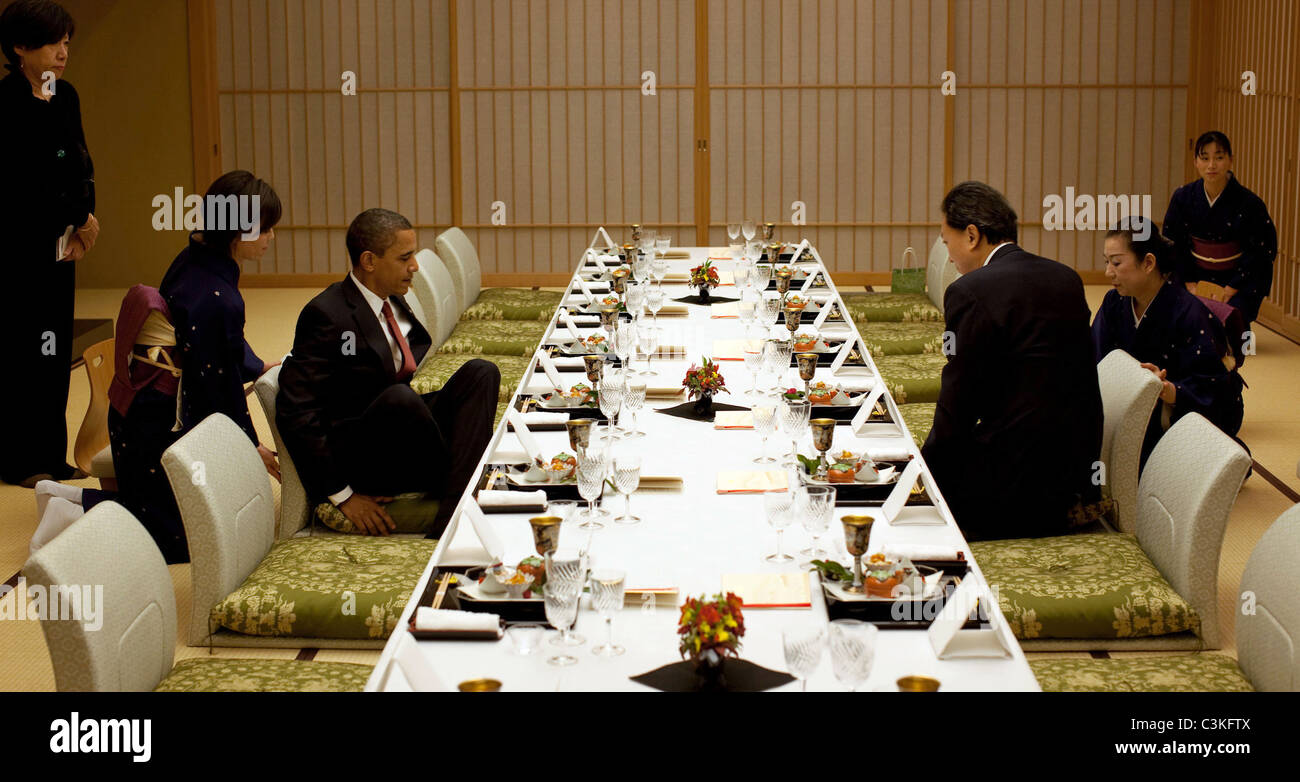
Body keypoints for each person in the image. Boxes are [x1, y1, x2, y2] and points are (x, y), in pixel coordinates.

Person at [32, 171, 283, 563]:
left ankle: (64, 497)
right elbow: (213, 387)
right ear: (239, 232)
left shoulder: (196, 256)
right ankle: (71, 512)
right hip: (155, 424)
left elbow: (220, 348)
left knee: (187, 519)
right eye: (266, 229)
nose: (271, 238)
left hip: (137, 407)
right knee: (187, 539)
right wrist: (252, 444)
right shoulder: (215, 296)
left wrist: (253, 364)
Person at [276, 208, 499, 538]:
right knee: (401, 398)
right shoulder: (327, 315)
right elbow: (296, 411)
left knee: (481, 373)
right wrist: (344, 496)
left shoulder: (390, 299)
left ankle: (461, 486)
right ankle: (457, 509)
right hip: (366, 458)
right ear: (369, 261)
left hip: (400, 432)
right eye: (405, 258)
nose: (415, 267)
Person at [921, 181, 1103, 541]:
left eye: (947, 242)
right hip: (1071, 475)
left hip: (1011, 488)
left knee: (900, 508)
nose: (950, 256)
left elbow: (958, 402)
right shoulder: (1066, 277)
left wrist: (924, 472)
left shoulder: (970, 291)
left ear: (972, 235)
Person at [0, 0, 98, 487]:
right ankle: (19, 460)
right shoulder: (7, 103)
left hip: (62, 242)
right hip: (18, 246)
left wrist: (87, 218)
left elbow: (80, 161)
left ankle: (50, 454)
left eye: (66, 42)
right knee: (22, 350)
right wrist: (76, 216)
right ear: (20, 48)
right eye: (53, 42)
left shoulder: (67, 94)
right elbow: (24, 181)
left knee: (55, 349)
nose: (63, 52)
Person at [1092, 219, 1243, 468]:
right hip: (1133, 408)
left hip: (1178, 411)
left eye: (1117, 262)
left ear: (1149, 263)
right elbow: (1096, 358)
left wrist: (1168, 389)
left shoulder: (1189, 314)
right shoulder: (1114, 303)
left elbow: (1213, 389)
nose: (1109, 272)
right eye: (1107, 262)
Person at [1161, 131, 1277, 328]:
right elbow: (1173, 243)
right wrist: (1189, 282)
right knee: (1181, 323)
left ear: (1231, 160)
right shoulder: (1183, 197)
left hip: (1236, 279)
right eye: (1205, 158)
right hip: (1194, 276)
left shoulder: (1249, 203)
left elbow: (1262, 249)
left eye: (1219, 157)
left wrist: (1232, 287)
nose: (1211, 165)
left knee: (1229, 328)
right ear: (1196, 162)